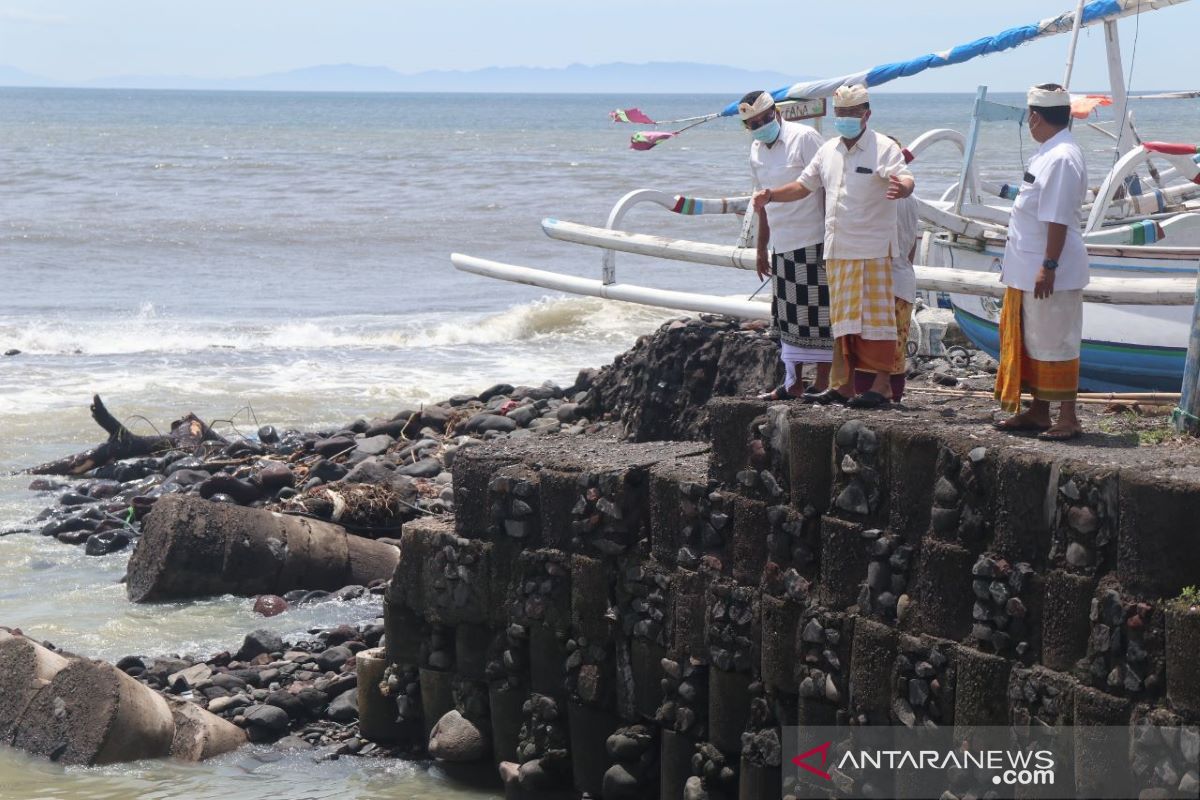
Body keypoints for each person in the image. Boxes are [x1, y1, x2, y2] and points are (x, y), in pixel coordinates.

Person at [751, 84, 915, 409]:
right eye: (840, 113)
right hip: (837, 250)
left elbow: (905, 177)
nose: (845, 119)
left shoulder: (882, 147)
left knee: (875, 321)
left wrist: (904, 188)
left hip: (871, 249)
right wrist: (771, 195)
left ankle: (881, 386)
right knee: (842, 322)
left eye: (852, 113)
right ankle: (844, 386)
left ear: (866, 114)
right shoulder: (827, 150)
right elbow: (802, 186)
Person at [993, 83, 1088, 441]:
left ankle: (1068, 417)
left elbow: (1058, 217)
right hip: (1028, 267)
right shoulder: (1049, 152)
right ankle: (1039, 410)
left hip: (1050, 268)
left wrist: (1048, 265)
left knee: (1057, 341)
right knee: (1035, 340)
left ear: (1034, 117)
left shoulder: (1062, 156)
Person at [737, 90, 831, 401]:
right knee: (788, 319)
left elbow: (823, 187)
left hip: (814, 238)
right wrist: (762, 247)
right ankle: (793, 382)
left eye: (765, 118)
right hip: (782, 243)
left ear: (777, 112)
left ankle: (822, 383)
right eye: (753, 123)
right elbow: (762, 201)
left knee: (819, 317)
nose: (761, 125)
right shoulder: (756, 150)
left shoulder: (805, 137)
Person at [851, 134, 918, 402]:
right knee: (892, 338)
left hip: (887, 276)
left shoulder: (888, 195)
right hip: (902, 275)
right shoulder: (911, 199)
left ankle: (880, 387)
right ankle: (884, 389)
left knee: (882, 337)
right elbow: (912, 244)